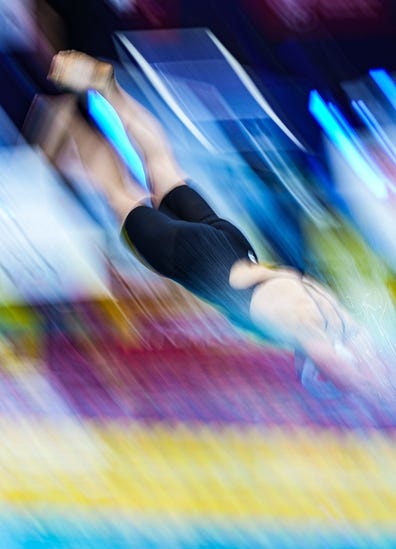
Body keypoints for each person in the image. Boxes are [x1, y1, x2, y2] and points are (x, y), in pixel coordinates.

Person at [33, 50, 387, 390]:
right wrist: (369, 393)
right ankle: (69, 115)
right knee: (119, 193)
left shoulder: (339, 315)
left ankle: (110, 89)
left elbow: (363, 352)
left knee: (163, 165)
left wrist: (377, 376)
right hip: (197, 260)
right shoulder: (307, 326)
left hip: (232, 246)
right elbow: (334, 365)